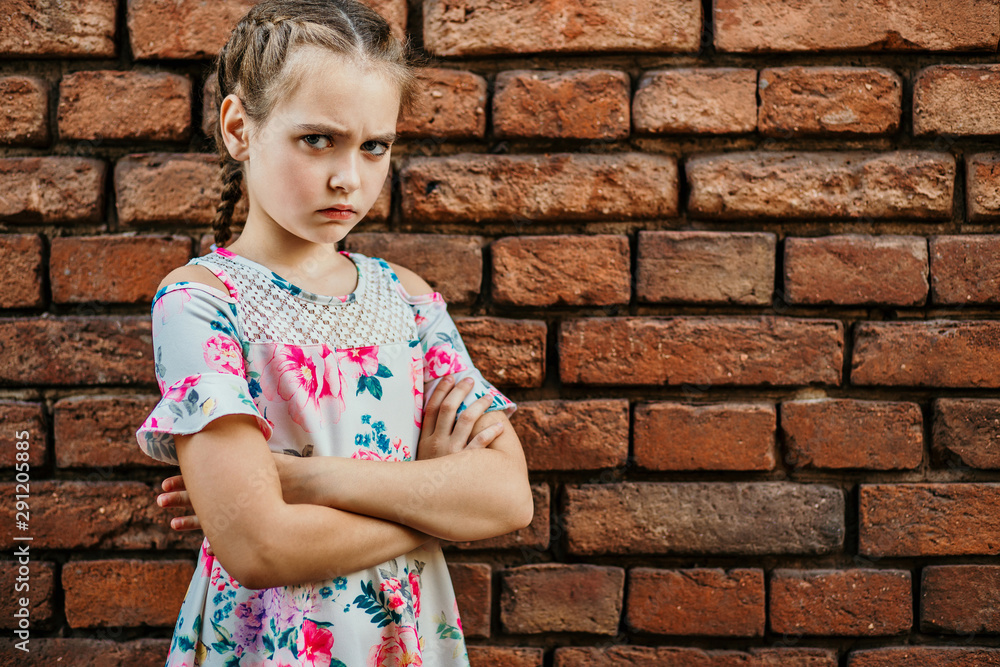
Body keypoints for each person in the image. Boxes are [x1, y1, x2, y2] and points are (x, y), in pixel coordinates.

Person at [133, 1, 534, 664]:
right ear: (239, 128)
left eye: (374, 146)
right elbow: (260, 547)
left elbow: (508, 498)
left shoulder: (409, 300)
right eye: (318, 139)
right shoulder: (202, 302)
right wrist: (432, 499)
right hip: (270, 643)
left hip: (402, 638)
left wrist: (301, 479)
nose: (349, 177)